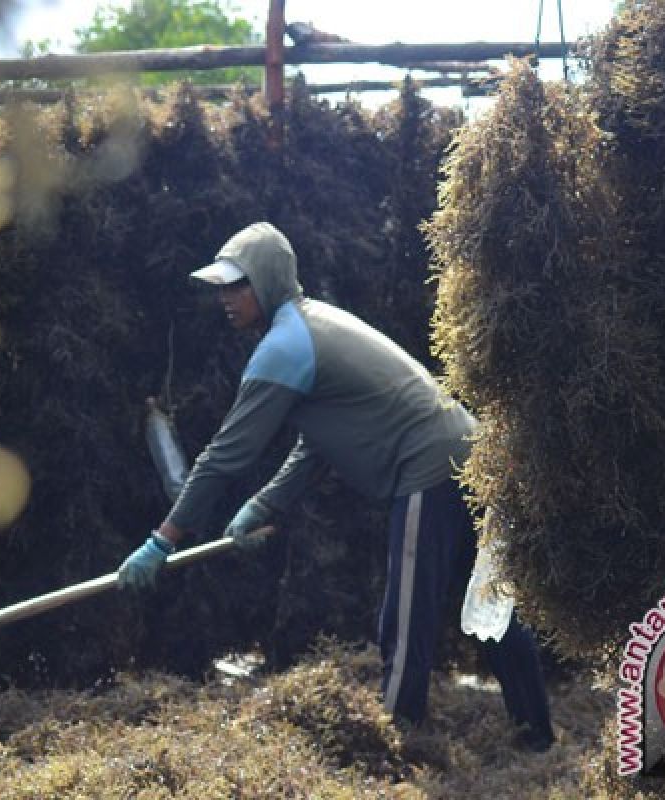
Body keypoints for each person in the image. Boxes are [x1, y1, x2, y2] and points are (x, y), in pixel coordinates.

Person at [117, 221, 554, 750]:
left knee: (406, 620)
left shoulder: (283, 347)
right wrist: (262, 504)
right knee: (487, 611)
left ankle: (394, 744)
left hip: (431, 466)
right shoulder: (312, 324)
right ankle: (536, 736)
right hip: (468, 454)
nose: (226, 299)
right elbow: (316, 445)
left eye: (238, 285)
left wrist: (161, 541)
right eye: (221, 287)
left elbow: (221, 459)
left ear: (271, 280)